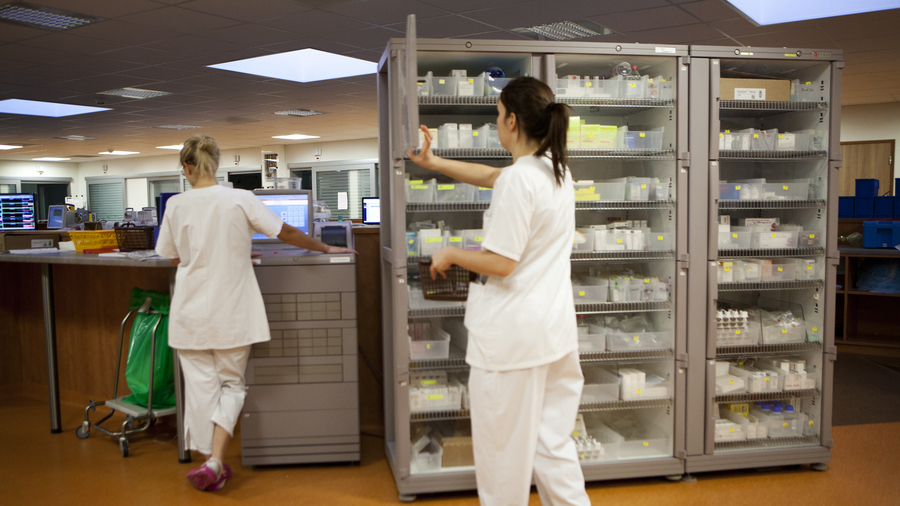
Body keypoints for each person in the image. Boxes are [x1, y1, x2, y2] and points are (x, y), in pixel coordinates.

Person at [409, 77, 590, 506]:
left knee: (501, 459)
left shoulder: (521, 179)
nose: (496, 123)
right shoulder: (556, 171)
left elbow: (502, 263)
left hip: (514, 342)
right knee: (554, 447)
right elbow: (494, 175)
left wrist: (450, 252)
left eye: (496, 115)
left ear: (512, 119)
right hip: (553, 334)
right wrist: (435, 163)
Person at [155, 135, 356, 492]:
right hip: (231, 310)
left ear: (186, 168)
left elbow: (172, 256)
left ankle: (209, 462)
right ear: (216, 164)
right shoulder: (240, 199)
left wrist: (208, 255)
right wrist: (326, 246)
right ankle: (216, 461)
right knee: (232, 384)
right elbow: (286, 232)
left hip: (190, 313)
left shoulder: (176, 206)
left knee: (202, 390)